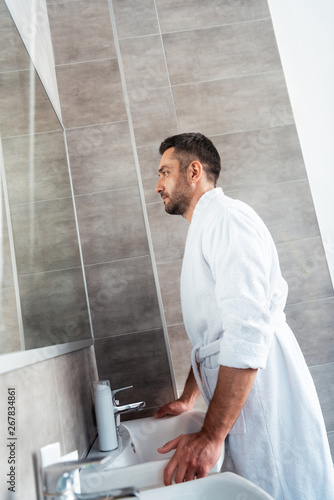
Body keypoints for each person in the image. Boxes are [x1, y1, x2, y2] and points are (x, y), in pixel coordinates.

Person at [153, 132, 334, 499]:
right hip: (245, 393)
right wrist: (188, 398)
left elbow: (246, 330)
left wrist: (211, 436)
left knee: (280, 487)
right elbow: (215, 334)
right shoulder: (206, 226)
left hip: (263, 389)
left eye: (164, 172)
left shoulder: (227, 220)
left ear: (193, 171)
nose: (158, 185)